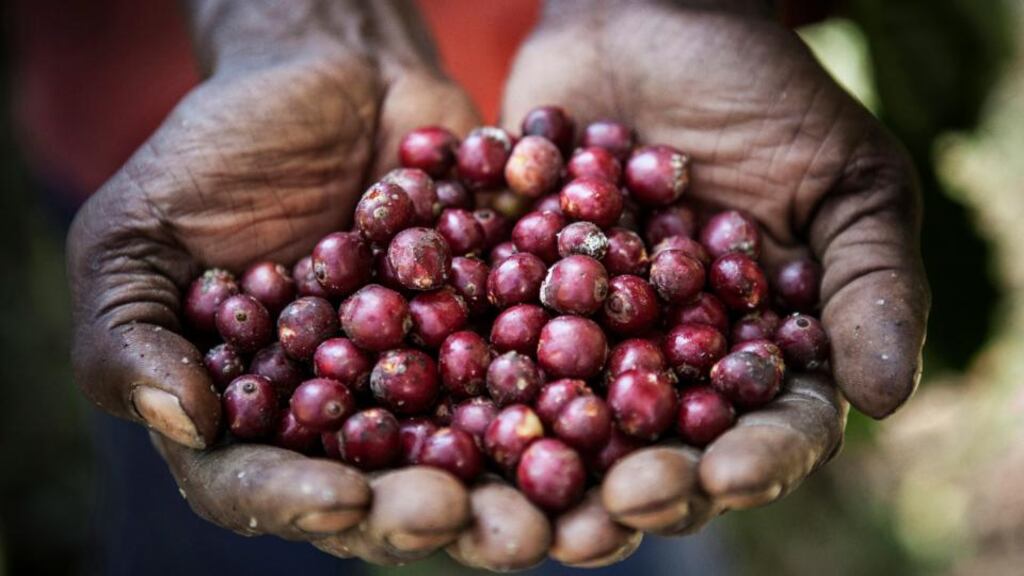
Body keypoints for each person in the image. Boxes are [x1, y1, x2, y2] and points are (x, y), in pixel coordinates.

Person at [62, 0, 929, 572]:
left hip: (587, 41)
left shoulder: (573, 291)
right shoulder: (395, 293)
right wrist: (298, 21)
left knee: (642, 514)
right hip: (215, 141)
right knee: (217, 514)